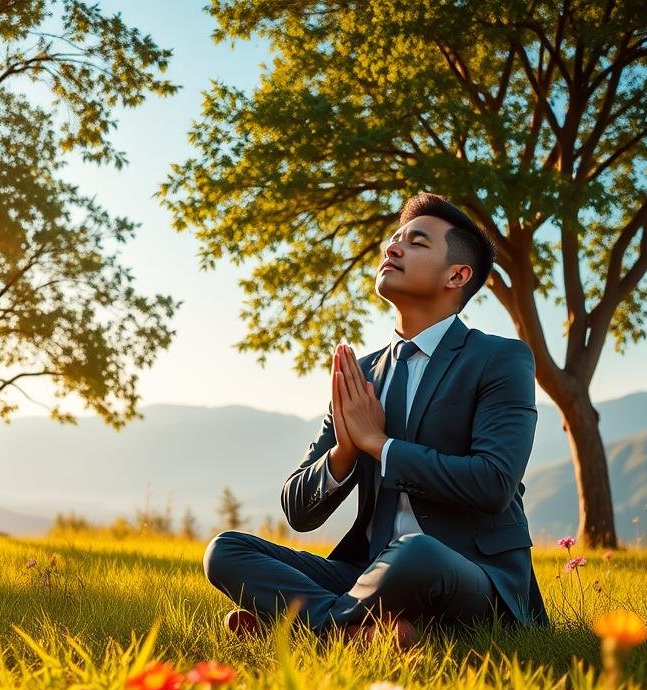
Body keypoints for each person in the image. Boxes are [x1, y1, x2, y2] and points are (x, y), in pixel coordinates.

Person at [203, 192, 548, 646]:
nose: (393, 248)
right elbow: (298, 512)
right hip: (370, 573)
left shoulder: (500, 359)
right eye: (395, 239)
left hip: (468, 576)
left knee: (417, 552)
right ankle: (356, 628)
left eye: (417, 242)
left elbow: (493, 482)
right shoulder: (361, 374)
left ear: (457, 275)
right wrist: (346, 452)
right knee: (226, 551)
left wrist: (380, 446)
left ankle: (301, 625)